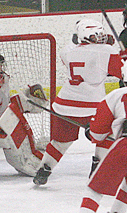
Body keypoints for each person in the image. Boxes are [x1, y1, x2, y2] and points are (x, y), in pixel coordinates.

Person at [33, 18, 124, 185]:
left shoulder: (67, 51)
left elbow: (86, 58)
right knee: (108, 134)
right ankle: (96, 170)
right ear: (88, 35)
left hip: (64, 105)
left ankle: (44, 169)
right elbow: (122, 71)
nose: (102, 37)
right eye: (97, 35)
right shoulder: (106, 51)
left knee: (60, 143)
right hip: (93, 108)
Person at [79, 82, 127, 213]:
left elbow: (98, 134)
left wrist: (91, 131)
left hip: (125, 147)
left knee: (94, 191)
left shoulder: (117, 95)